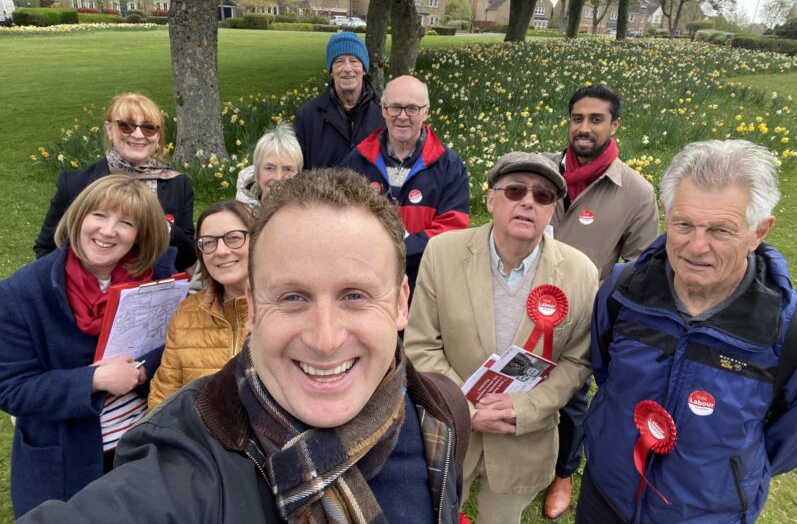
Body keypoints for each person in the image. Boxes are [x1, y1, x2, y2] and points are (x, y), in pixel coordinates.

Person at [19, 168, 471, 524]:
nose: (325, 338)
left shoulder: (442, 411)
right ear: (253, 308)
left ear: (399, 304)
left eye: (355, 295)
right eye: (293, 297)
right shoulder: (193, 458)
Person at [577, 140, 797, 524]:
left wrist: (722, 474)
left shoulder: (790, 329)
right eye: (684, 224)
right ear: (666, 213)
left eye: (720, 230)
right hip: (606, 494)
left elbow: (787, 440)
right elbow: (605, 371)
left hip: (706, 515)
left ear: (759, 231)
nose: (697, 246)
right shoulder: (622, 288)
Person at [405, 151, 599, 524]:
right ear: (491, 199)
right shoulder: (442, 253)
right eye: (515, 190)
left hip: (524, 439)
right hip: (449, 432)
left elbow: (577, 361)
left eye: (543, 195)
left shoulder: (581, 273)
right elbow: (421, 345)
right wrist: (467, 410)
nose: (528, 201)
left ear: (552, 210)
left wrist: (527, 409)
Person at [0, 175, 173, 517]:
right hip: (65, 462)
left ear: (140, 235)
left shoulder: (157, 281)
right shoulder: (21, 294)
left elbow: (172, 344)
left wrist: (140, 372)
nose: (108, 231)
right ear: (79, 217)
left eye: (125, 222)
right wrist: (93, 381)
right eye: (99, 215)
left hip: (142, 450)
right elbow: (12, 389)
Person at [542, 84, 659, 519]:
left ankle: (563, 474)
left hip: (582, 320)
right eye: (577, 118)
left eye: (595, 119)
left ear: (614, 126)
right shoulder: (542, 173)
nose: (584, 128)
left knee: (572, 401)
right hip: (525, 307)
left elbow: (642, 273)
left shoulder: (635, 193)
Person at [34, 93, 196, 270]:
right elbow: (47, 248)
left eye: (148, 128)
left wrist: (163, 227)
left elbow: (187, 258)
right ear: (110, 129)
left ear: (157, 136)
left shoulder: (177, 184)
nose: (138, 135)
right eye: (126, 126)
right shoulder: (76, 183)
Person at [342, 75, 470, 293]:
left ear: (426, 111)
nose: (402, 116)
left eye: (412, 108)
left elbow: (452, 232)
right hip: (366, 286)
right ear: (383, 109)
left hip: (425, 289)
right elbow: (340, 221)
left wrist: (395, 251)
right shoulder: (356, 161)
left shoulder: (449, 166)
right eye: (395, 107)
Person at [148, 200, 254, 409]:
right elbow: (163, 399)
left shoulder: (288, 308)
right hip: (197, 439)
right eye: (209, 242)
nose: (221, 251)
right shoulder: (187, 313)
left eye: (233, 238)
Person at [294, 31, 385, 169]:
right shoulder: (307, 116)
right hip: (323, 191)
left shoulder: (386, 109)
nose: (347, 69)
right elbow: (296, 170)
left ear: (364, 69)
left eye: (354, 61)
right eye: (339, 61)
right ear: (331, 70)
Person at [235, 122, 303, 207]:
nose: (278, 177)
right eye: (270, 168)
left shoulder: (310, 211)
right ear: (257, 172)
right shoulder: (238, 216)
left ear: (299, 174)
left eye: (288, 169)